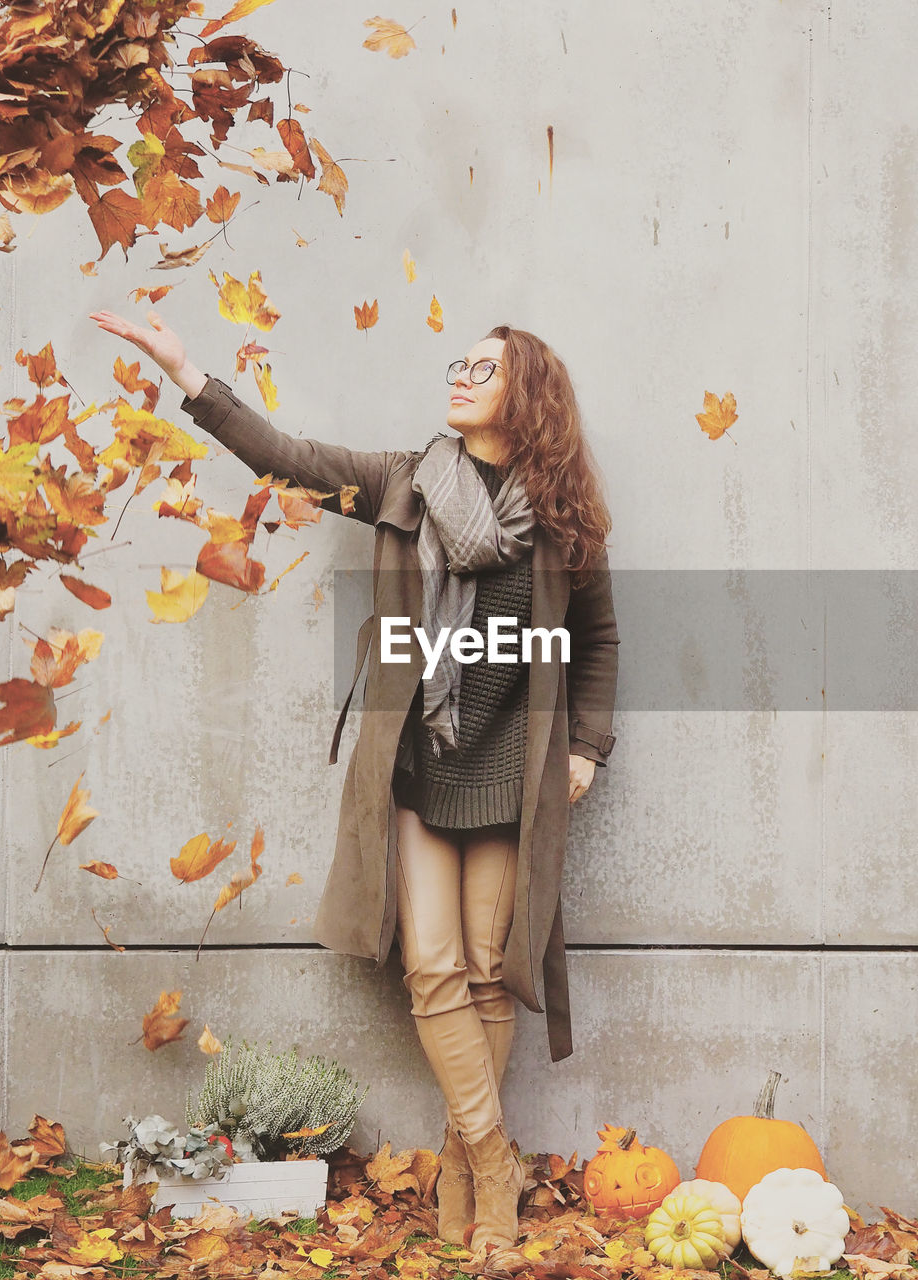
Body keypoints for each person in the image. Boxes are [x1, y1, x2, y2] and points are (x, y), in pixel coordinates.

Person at [87, 307, 619, 1252]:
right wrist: (188, 373)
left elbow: (598, 640)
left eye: (482, 369)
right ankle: (491, 1156)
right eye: (458, 362)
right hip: (420, 761)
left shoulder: (564, 520)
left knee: (492, 975)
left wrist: (585, 746)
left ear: (526, 396)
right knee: (433, 967)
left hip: (509, 767)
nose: (458, 375)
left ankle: (461, 1169)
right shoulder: (403, 483)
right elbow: (286, 459)